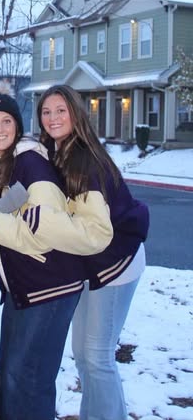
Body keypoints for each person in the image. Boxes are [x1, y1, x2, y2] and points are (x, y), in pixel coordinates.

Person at [0, 81, 114, 420]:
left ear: (18, 126)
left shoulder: (31, 165)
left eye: (7, 121)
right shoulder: (5, 163)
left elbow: (41, 236)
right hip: (25, 287)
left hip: (49, 287)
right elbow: (11, 212)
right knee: (12, 377)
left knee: (28, 380)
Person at [37, 84, 149, 420]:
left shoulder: (83, 159)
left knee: (97, 355)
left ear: (75, 113)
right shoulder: (57, 151)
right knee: (84, 354)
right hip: (91, 264)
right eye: (46, 112)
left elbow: (97, 233)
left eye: (61, 110)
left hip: (116, 262)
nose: (53, 118)